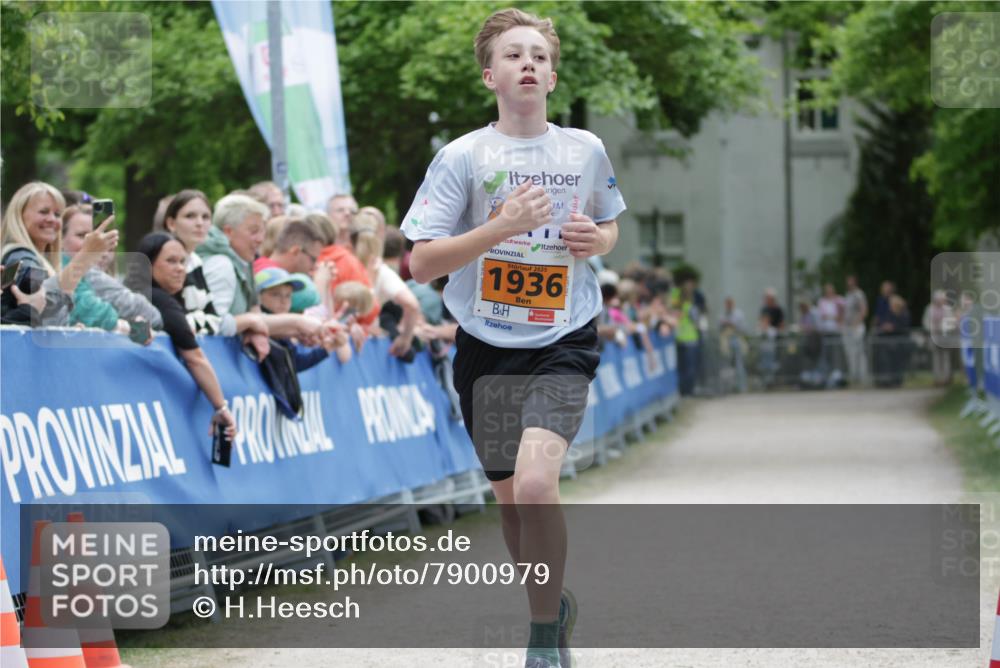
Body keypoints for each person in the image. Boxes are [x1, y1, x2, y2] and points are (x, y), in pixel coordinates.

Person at [402, 9, 625, 667]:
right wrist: (499, 227)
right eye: (512, 54)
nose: (527, 63)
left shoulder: (584, 150)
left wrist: (597, 241)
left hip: (563, 338)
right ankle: (549, 607)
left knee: (534, 487)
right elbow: (422, 263)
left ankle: (542, 640)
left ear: (551, 77)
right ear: (489, 75)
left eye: (539, 56)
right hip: (486, 346)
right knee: (509, 501)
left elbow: (609, 225)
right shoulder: (463, 156)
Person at [126, 232, 237, 441]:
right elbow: (195, 358)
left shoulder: (144, 294)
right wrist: (221, 407)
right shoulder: (158, 299)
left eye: (183, 261)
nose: (180, 268)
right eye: (171, 261)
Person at [1, 182, 117, 326]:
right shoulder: (21, 257)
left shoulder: (42, 260)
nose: (52, 219)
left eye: (57, 214)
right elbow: (42, 303)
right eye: (44, 212)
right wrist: (86, 256)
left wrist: (69, 330)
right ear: (19, 215)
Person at [61, 205, 161, 337]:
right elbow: (151, 316)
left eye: (101, 237)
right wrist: (129, 327)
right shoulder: (68, 271)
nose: (94, 242)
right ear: (60, 239)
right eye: (82, 235)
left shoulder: (100, 276)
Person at [923, 289, 956, 386]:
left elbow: (951, 323)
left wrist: (942, 327)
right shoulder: (929, 309)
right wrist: (932, 328)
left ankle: (946, 378)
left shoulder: (948, 309)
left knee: (946, 358)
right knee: (936, 358)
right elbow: (926, 322)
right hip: (934, 336)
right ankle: (937, 379)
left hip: (945, 337)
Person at [842, 274, 868, 385]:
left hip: (856, 327)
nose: (849, 284)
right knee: (850, 353)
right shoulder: (848, 295)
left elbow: (864, 310)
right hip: (847, 327)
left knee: (859, 352)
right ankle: (853, 377)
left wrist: (856, 323)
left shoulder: (859, 294)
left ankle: (863, 377)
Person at [719, 296, 747, 393]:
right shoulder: (723, 315)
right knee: (727, 365)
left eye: (730, 303)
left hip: (737, 339)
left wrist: (733, 324)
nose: (728, 305)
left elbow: (743, 328)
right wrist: (724, 324)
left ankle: (742, 387)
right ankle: (729, 388)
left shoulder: (739, 314)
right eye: (727, 304)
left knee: (739, 364)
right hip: (726, 341)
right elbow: (720, 328)